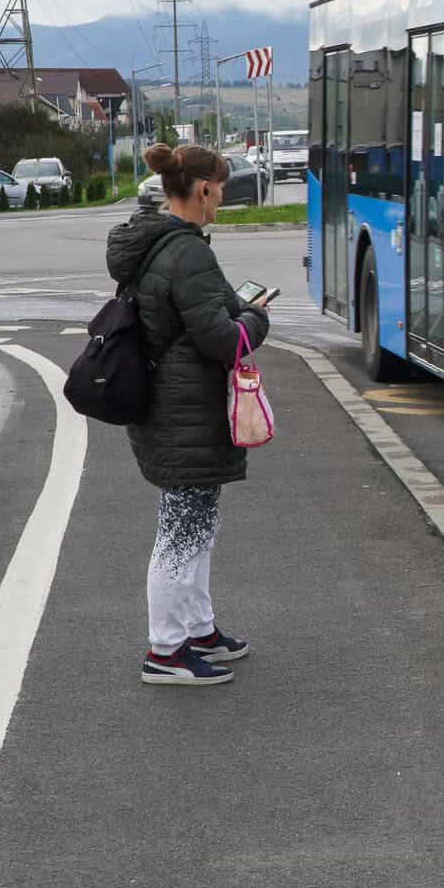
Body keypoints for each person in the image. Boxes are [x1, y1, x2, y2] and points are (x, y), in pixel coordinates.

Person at [105, 142, 271, 687]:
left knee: (196, 524)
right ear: (202, 189)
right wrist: (257, 320)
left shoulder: (164, 243)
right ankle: (166, 650)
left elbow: (211, 308)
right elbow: (224, 340)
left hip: (171, 408)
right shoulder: (187, 251)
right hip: (184, 412)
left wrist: (238, 309)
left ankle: (198, 629)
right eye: (220, 189)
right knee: (180, 533)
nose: (222, 197)